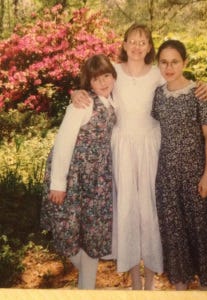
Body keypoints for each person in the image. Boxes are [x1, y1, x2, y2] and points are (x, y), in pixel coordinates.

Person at [71, 23, 207, 290]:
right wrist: (76, 92)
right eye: (132, 41)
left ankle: (150, 282)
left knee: (151, 210)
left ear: (149, 47)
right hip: (122, 146)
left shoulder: (158, 74)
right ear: (124, 44)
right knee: (127, 210)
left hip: (151, 146)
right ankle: (135, 282)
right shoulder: (114, 71)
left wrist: (205, 86)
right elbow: (93, 86)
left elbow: (183, 83)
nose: (137, 46)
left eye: (143, 42)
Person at [151, 39, 207, 290]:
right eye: (164, 62)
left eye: (175, 61)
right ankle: (180, 288)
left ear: (185, 62)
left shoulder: (199, 93)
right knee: (175, 235)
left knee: (200, 233)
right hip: (166, 176)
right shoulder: (158, 95)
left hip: (195, 174)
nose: (169, 67)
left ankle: (205, 288)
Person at [40, 54, 117, 290]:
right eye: (96, 80)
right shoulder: (84, 104)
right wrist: (58, 184)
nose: (103, 83)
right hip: (73, 178)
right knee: (68, 233)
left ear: (114, 76)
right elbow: (63, 142)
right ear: (88, 83)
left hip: (97, 181)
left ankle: (87, 290)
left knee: (92, 237)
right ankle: (86, 279)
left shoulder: (113, 101)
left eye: (106, 76)